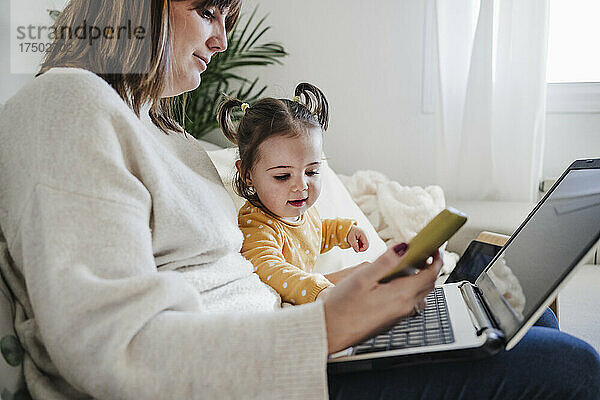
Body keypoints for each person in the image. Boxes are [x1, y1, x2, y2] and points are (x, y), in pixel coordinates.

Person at [0, 0, 598, 399]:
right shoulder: (65, 104)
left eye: (228, 14)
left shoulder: (169, 136)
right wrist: (329, 325)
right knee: (567, 366)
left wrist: (347, 308)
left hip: (293, 342)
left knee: (512, 314)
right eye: (207, 8)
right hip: (272, 371)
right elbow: (110, 349)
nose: (222, 36)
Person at [217, 83, 369, 305]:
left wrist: (344, 231)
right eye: (282, 176)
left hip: (305, 288)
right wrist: (320, 289)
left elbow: (314, 235)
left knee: (368, 273)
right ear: (248, 175)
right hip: (287, 299)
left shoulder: (298, 212)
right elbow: (271, 269)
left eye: (311, 171)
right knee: (361, 278)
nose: (302, 186)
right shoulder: (255, 225)